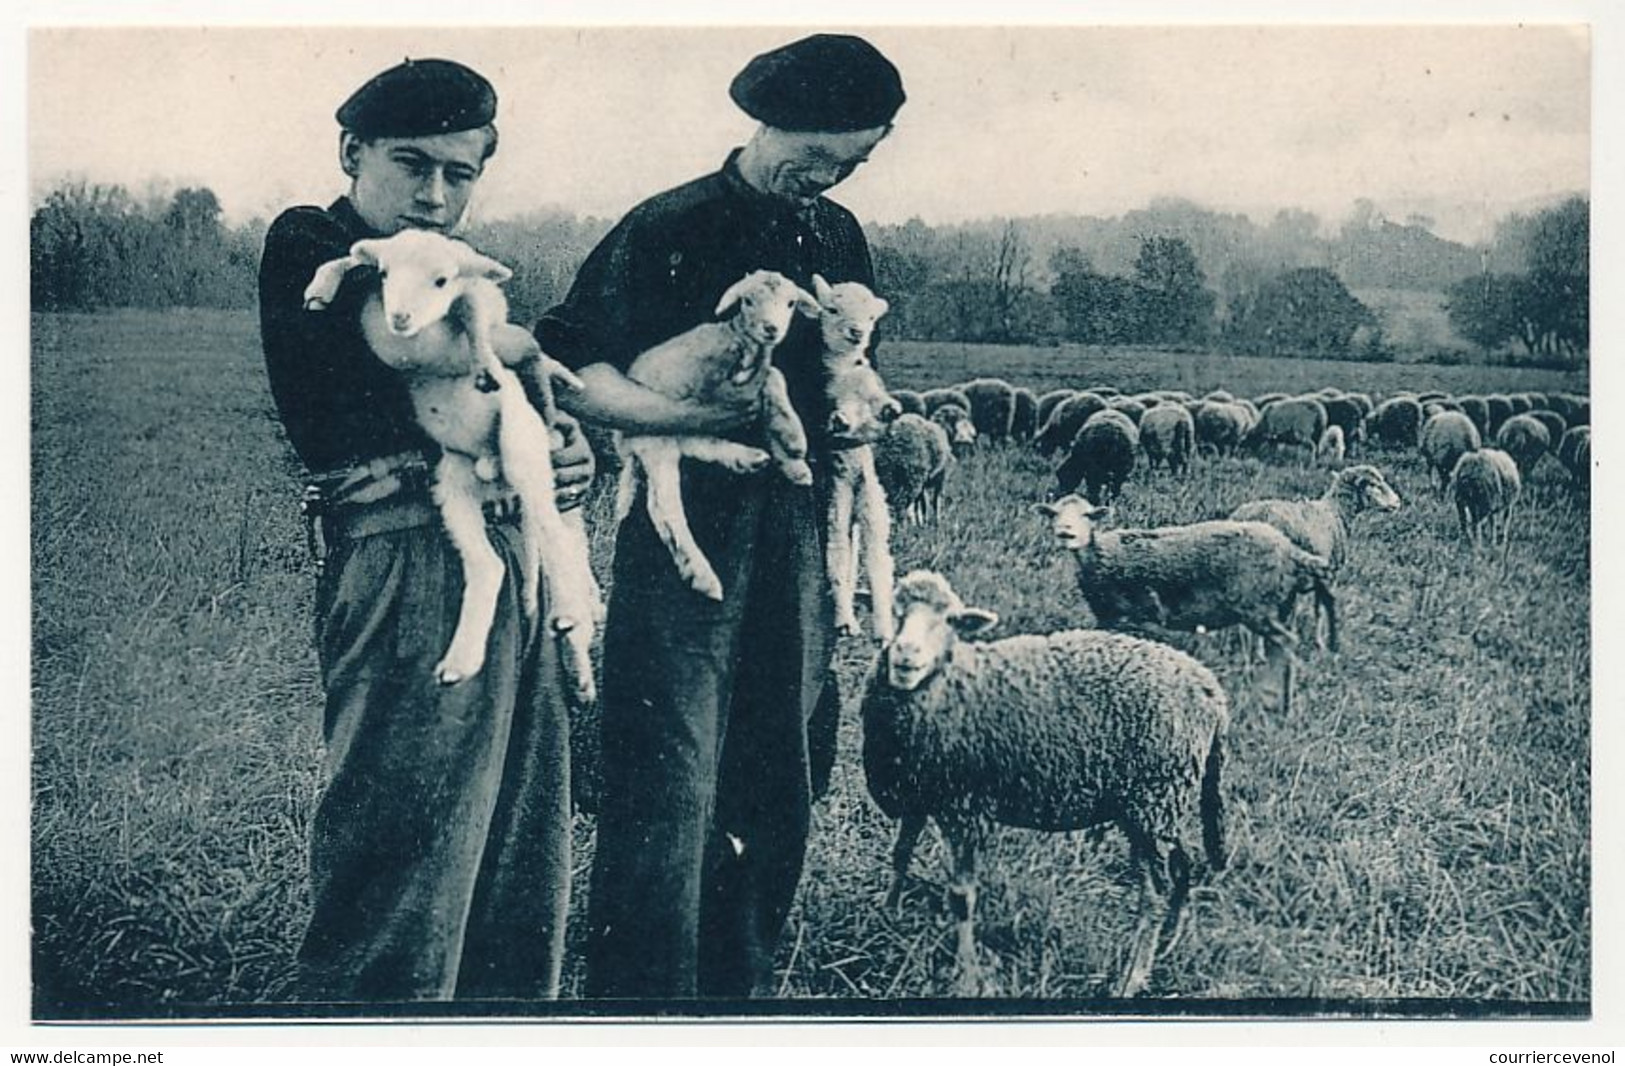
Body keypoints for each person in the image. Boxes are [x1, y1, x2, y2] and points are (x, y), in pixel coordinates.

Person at [535, 33, 906, 998]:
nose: (823, 178)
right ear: (768, 117)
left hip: (797, 522)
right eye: (813, 154)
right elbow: (573, 372)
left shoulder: (837, 238)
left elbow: (841, 364)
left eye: (850, 163)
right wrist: (697, 415)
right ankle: (638, 999)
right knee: (670, 764)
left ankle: (736, 995)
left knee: (781, 762)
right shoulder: (669, 226)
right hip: (686, 523)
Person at [257, 57, 592, 1004]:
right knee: (405, 843)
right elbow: (411, 341)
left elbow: (511, 402)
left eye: (461, 173)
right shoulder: (312, 240)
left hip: (508, 550)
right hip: (405, 548)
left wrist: (569, 452)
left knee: (521, 842)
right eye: (413, 164)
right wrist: (524, 351)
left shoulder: (446, 269)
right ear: (351, 151)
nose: (435, 195)